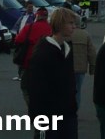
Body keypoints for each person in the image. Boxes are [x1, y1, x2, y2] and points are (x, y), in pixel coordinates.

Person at [27, 7, 78, 139]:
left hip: (67, 114)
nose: (74, 27)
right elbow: (35, 88)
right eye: (70, 23)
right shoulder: (44, 52)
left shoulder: (67, 49)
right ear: (60, 24)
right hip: (49, 116)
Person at [15, 7, 53, 107]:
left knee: (25, 87)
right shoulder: (51, 28)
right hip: (47, 63)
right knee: (44, 87)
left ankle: (32, 106)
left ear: (37, 15)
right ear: (46, 16)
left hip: (29, 62)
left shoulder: (29, 27)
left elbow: (18, 40)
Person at [69, 14, 97, 109]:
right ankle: (75, 110)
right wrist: (93, 67)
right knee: (78, 90)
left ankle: (67, 109)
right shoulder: (85, 35)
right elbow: (91, 52)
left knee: (67, 89)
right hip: (81, 68)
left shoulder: (67, 34)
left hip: (68, 67)